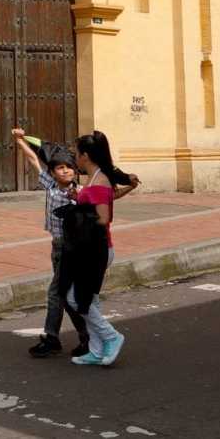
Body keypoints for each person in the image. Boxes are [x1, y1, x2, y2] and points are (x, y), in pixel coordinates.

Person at [16, 127, 92, 358]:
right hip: (57, 247)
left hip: (70, 249)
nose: (66, 171)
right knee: (66, 297)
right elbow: (32, 158)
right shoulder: (49, 186)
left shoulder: (80, 193)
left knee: (57, 294)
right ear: (53, 172)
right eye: (60, 167)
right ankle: (85, 336)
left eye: (69, 167)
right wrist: (20, 140)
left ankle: (53, 338)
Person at [61, 131, 129, 367]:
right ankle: (96, 350)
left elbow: (102, 218)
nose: (74, 158)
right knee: (90, 300)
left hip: (94, 250)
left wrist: (75, 212)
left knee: (76, 298)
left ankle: (111, 336)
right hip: (91, 249)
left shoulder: (99, 182)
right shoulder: (95, 179)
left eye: (76, 154)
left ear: (86, 156)